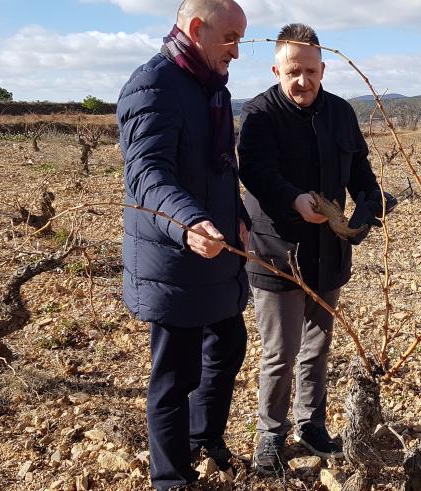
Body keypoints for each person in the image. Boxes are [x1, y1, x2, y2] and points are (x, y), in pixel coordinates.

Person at [237, 23, 387, 475]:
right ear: (276, 69)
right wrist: (294, 200)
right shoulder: (260, 114)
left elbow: (360, 171)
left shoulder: (341, 113)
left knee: (318, 346)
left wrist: (371, 204)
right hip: (277, 254)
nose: (303, 81)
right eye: (293, 72)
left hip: (329, 252)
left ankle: (311, 424)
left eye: (311, 71)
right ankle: (271, 433)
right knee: (280, 352)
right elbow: (256, 173)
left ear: (323, 68)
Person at [116, 1, 250, 489]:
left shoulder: (210, 87)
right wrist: (189, 220)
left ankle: (204, 437)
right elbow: (147, 176)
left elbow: (218, 168)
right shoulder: (151, 86)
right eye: (231, 38)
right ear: (196, 29)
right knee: (176, 372)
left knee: (229, 344)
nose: (237, 51)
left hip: (213, 251)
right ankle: (170, 478)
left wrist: (234, 218)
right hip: (173, 255)